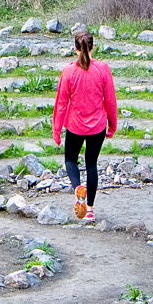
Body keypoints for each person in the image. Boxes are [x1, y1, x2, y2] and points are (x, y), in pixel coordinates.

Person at [51, 29, 117, 222]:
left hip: (75, 126)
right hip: (98, 126)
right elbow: (110, 100)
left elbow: (61, 102)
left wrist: (56, 129)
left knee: (71, 160)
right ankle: (89, 210)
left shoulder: (69, 71)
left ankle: (77, 187)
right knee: (91, 164)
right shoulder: (103, 69)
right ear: (93, 47)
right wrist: (112, 125)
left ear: (75, 49)